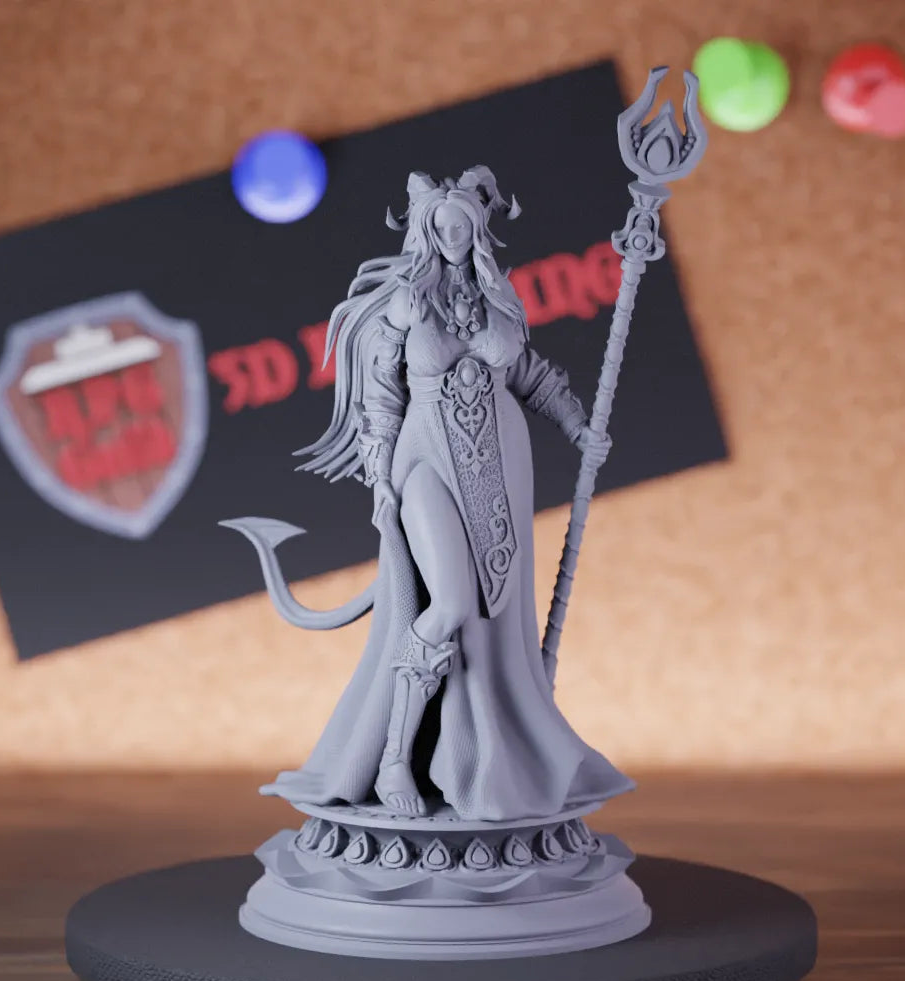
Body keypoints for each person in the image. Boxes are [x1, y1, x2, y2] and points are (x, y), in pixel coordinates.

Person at [259, 167, 633, 821]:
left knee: (491, 616)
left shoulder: (499, 297)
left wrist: (578, 427)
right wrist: (380, 480)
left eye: (462, 224)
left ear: (478, 228)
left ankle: (488, 752)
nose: (453, 235)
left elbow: (528, 374)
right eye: (442, 225)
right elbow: (382, 398)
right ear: (426, 231)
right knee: (452, 602)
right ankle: (393, 759)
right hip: (425, 456)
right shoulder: (407, 300)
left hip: (498, 464)